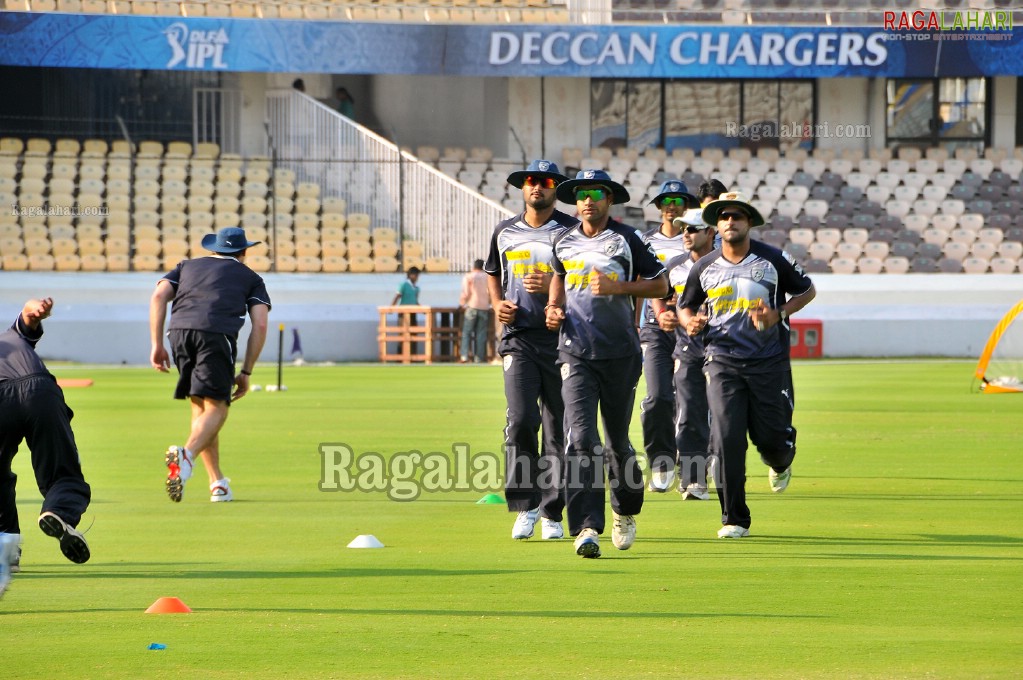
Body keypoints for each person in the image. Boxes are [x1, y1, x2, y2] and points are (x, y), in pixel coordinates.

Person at [675, 192, 816, 538]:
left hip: (769, 362)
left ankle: (780, 460)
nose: (730, 222)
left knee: (772, 441)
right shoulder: (703, 266)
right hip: (721, 361)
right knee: (725, 440)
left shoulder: (773, 259)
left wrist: (778, 314)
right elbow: (685, 304)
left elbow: (807, 291)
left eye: (738, 216)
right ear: (716, 225)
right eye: (724, 217)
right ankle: (734, 519)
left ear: (749, 222)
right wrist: (689, 321)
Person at [546, 169, 668, 558]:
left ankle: (626, 510)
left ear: (609, 199)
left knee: (616, 442)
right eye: (582, 193)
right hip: (575, 352)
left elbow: (662, 285)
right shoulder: (563, 240)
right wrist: (553, 307)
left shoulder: (627, 239)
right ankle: (585, 528)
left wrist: (621, 287)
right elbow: (558, 276)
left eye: (597, 192)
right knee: (581, 438)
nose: (588, 200)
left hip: (620, 353)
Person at [485, 160, 575, 542]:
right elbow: (492, 271)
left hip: (561, 341)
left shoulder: (571, 231)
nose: (538, 187)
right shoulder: (504, 231)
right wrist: (496, 305)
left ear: (556, 188)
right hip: (518, 339)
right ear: (523, 188)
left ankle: (553, 512)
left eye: (546, 181)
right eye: (531, 181)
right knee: (521, 421)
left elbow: (584, 279)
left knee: (558, 428)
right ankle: (526, 506)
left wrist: (553, 293)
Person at [150, 227, 271, 504]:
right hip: (215, 336)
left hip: (178, 333)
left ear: (214, 248)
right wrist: (247, 371)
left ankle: (217, 483)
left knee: (201, 408)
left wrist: (156, 344)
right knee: (218, 408)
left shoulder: (186, 266)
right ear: (243, 252)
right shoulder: (251, 278)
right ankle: (187, 456)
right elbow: (260, 324)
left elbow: (158, 296)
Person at [0, 297, 92, 599]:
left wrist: (32, 311)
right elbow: (27, 316)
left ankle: (6, 548)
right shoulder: (9, 337)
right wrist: (35, 309)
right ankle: (59, 512)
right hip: (39, 391)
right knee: (63, 474)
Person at [651, 208, 717, 502]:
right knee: (689, 413)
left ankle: (722, 468)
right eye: (684, 229)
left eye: (693, 229)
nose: (686, 234)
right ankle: (693, 480)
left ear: (710, 233)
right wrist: (664, 315)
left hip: (725, 350)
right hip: (688, 350)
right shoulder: (676, 266)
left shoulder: (726, 264)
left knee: (723, 416)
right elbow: (659, 293)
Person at [638, 180, 698, 493]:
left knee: (688, 402)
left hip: (689, 330)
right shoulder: (645, 241)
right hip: (654, 328)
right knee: (658, 397)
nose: (672, 206)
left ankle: (692, 468)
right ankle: (661, 462)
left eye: (678, 201)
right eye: (666, 201)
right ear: (659, 207)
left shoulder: (695, 240)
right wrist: (642, 321)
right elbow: (641, 285)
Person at [459, 259, 491, 363]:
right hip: (484, 307)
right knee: (481, 334)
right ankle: (479, 358)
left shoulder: (469, 276)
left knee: (467, 333)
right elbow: (491, 292)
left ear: (474, 266)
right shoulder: (487, 277)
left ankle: (464, 356)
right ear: (483, 267)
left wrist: (462, 303)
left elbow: (466, 292)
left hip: (472, 306)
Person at [392, 266, 421, 356]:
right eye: (416, 275)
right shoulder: (403, 285)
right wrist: (392, 307)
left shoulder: (416, 288)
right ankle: (400, 357)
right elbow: (397, 296)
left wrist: (420, 308)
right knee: (402, 334)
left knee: (413, 334)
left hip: (413, 313)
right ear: (411, 275)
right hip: (403, 313)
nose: (417, 278)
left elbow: (415, 300)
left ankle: (412, 356)